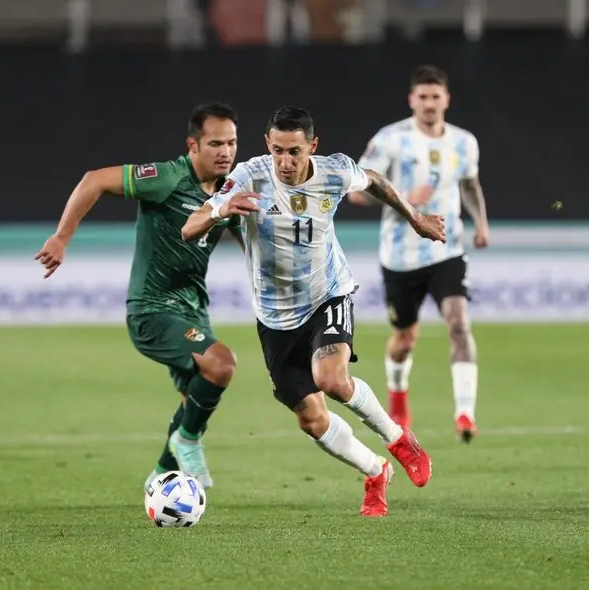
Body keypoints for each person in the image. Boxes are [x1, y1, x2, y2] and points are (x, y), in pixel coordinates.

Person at [181, 107, 445, 517]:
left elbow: (373, 181)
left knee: (331, 378)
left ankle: (397, 438)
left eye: (295, 152)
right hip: (275, 317)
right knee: (311, 419)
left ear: (313, 147)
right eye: (278, 151)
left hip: (328, 295)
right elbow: (190, 227)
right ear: (268, 145)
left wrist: (414, 218)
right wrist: (220, 209)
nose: (285, 163)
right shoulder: (249, 177)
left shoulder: (334, 172)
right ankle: (376, 472)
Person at [35, 102, 243, 490]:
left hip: (193, 310)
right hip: (152, 311)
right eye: (215, 143)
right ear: (193, 146)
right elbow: (93, 180)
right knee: (221, 364)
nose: (226, 152)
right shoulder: (165, 178)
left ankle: (163, 476)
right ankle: (187, 443)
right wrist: (63, 237)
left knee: (194, 396)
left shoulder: (229, 193)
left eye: (231, 143)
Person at [346, 65, 490, 443]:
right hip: (401, 256)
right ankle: (398, 397)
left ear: (447, 99)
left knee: (458, 323)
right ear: (412, 100)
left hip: (448, 249)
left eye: (435, 96)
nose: (429, 103)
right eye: (422, 97)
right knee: (404, 339)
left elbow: (470, 185)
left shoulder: (464, 142)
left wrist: (482, 224)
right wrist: (404, 202)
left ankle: (465, 412)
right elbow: (355, 191)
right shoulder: (391, 139)